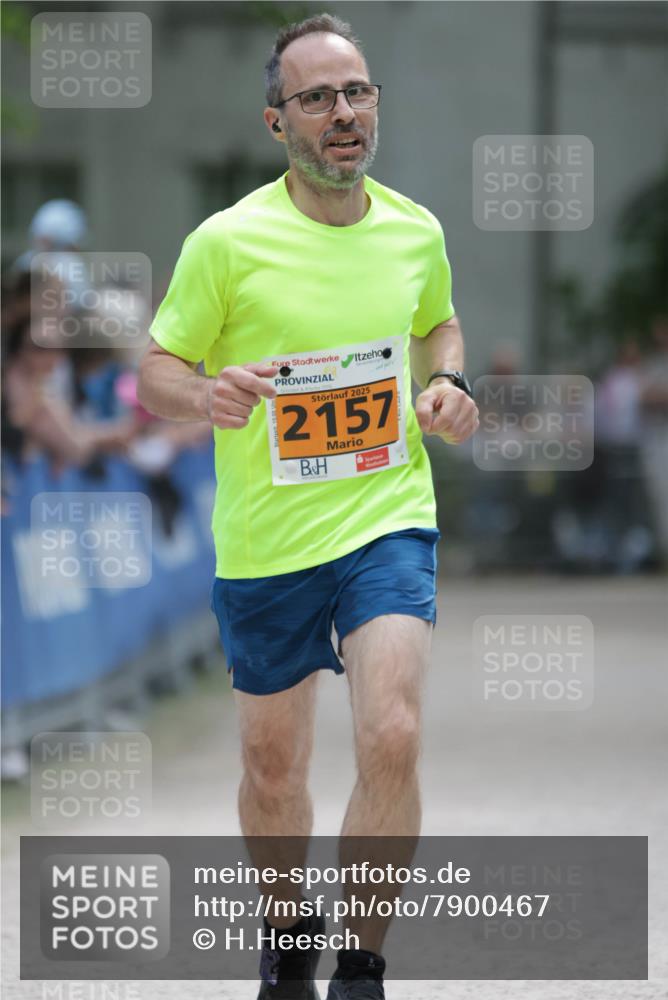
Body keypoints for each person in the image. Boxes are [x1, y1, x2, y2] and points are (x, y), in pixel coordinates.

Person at [137, 13, 478, 999]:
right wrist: (205, 395)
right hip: (267, 539)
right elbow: (157, 368)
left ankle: (361, 965)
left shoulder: (415, 228)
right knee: (273, 765)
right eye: (318, 98)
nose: (344, 114)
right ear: (275, 121)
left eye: (358, 92)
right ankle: (287, 941)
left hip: (385, 516)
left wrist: (451, 384)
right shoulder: (226, 242)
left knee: (392, 731)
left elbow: (439, 321)